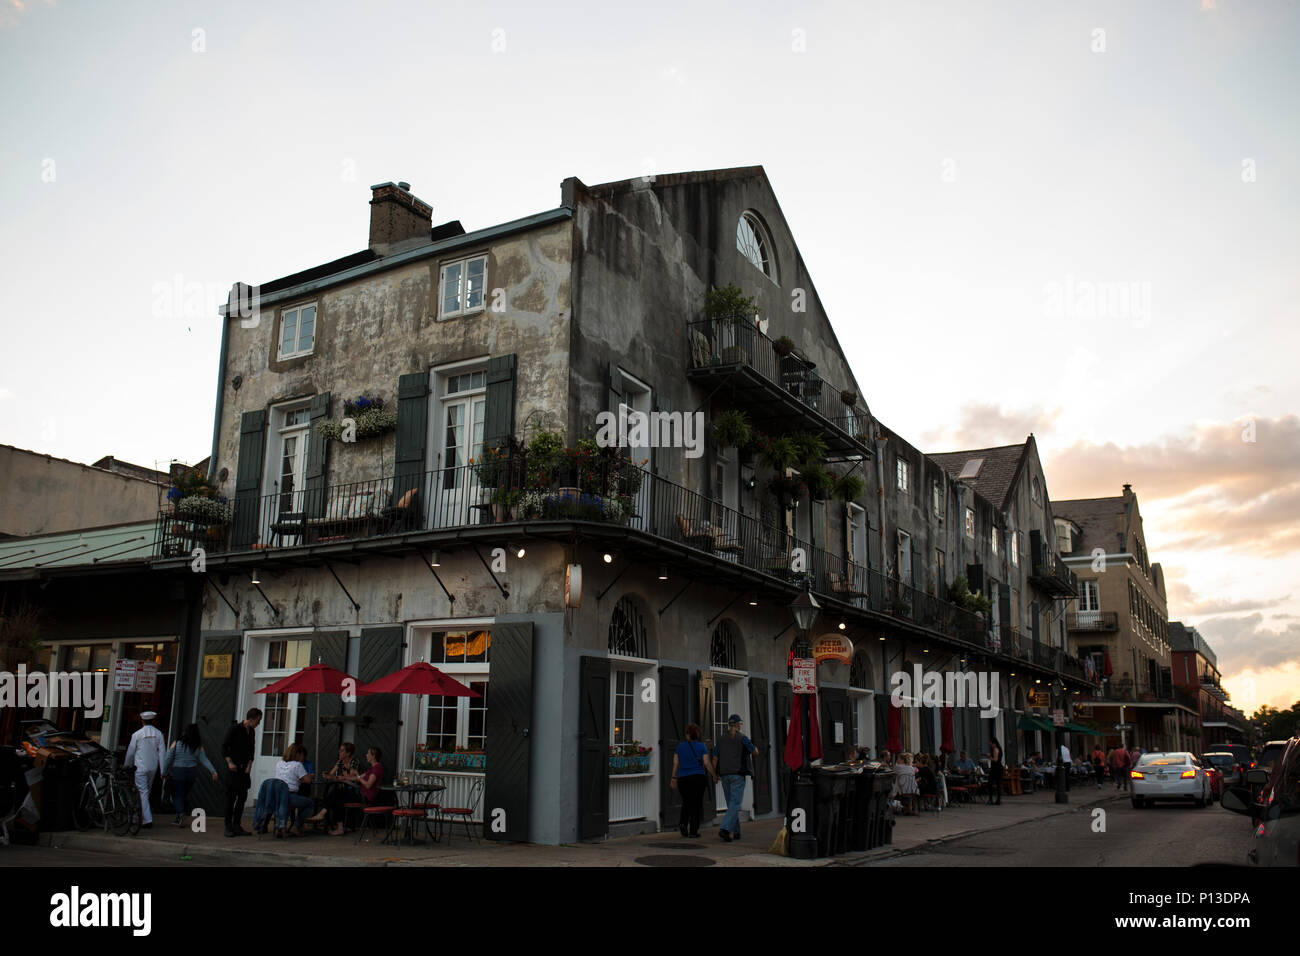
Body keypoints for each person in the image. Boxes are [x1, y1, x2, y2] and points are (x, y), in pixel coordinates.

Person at [161, 723, 218, 826]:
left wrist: (164, 771)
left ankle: (181, 813)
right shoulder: (197, 746)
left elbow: (168, 758)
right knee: (184, 795)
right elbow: (204, 759)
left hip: (178, 772)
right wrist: (213, 771)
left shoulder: (177, 743)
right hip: (191, 773)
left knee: (176, 795)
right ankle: (179, 817)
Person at [712, 714, 757, 842]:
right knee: (735, 803)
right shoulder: (742, 738)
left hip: (724, 775)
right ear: (738, 725)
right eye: (740, 724)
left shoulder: (720, 739)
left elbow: (715, 758)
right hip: (738, 774)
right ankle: (725, 828)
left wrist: (714, 774)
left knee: (731, 803)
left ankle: (736, 831)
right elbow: (755, 752)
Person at [221, 708, 262, 837]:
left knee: (242, 798)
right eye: (258, 720)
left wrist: (250, 764)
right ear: (251, 719)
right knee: (231, 798)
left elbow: (251, 749)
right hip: (234, 768)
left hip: (244, 769)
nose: (258, 723)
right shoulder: (235, 729)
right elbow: (224, 746)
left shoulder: (252, 732)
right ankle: (228, 826)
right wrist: (229, 762)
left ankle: (237, 825)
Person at [670, 723, 715, 838]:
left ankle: (683, 823)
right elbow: (706, 763)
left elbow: (676, 764)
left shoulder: (680, 747)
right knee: (696, 803)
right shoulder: (702, 747)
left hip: (683, 778)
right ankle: (693, 831)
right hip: (698, 778)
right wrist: (714, 775)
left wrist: (673, 778)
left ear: (688, 735)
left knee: (686, 802)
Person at [123, 711, 166, 829]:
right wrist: (163, 770)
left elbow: (130, 753)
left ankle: (147, 819)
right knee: (146, 792)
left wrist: (127, 766)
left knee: (142, 792)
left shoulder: (137, 734)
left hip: (140, 767)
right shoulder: (159, 734)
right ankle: (137, 817)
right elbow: (162, 753)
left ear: (142, 721)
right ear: (153, 721)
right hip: (153, 767)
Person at [274, 742, 315, 837]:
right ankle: (295, 826)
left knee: (286, 804)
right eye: (301, 755)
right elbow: (308, 780)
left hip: (277, 795)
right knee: (309, 803)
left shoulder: (279, 763)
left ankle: (280, 826)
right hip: (290, 795)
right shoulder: (297, 765)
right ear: (297, 754)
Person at [988, 737, 1004, 805]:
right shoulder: (999, 748)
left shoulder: (995, 749)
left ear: (993, 743)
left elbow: (995, 759)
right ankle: (998, 799)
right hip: (999, 768)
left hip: (995, 768)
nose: (990, 745)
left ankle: (991, 799)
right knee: (998, 784)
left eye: (991, 743)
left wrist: (989, 757)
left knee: (990, 783)